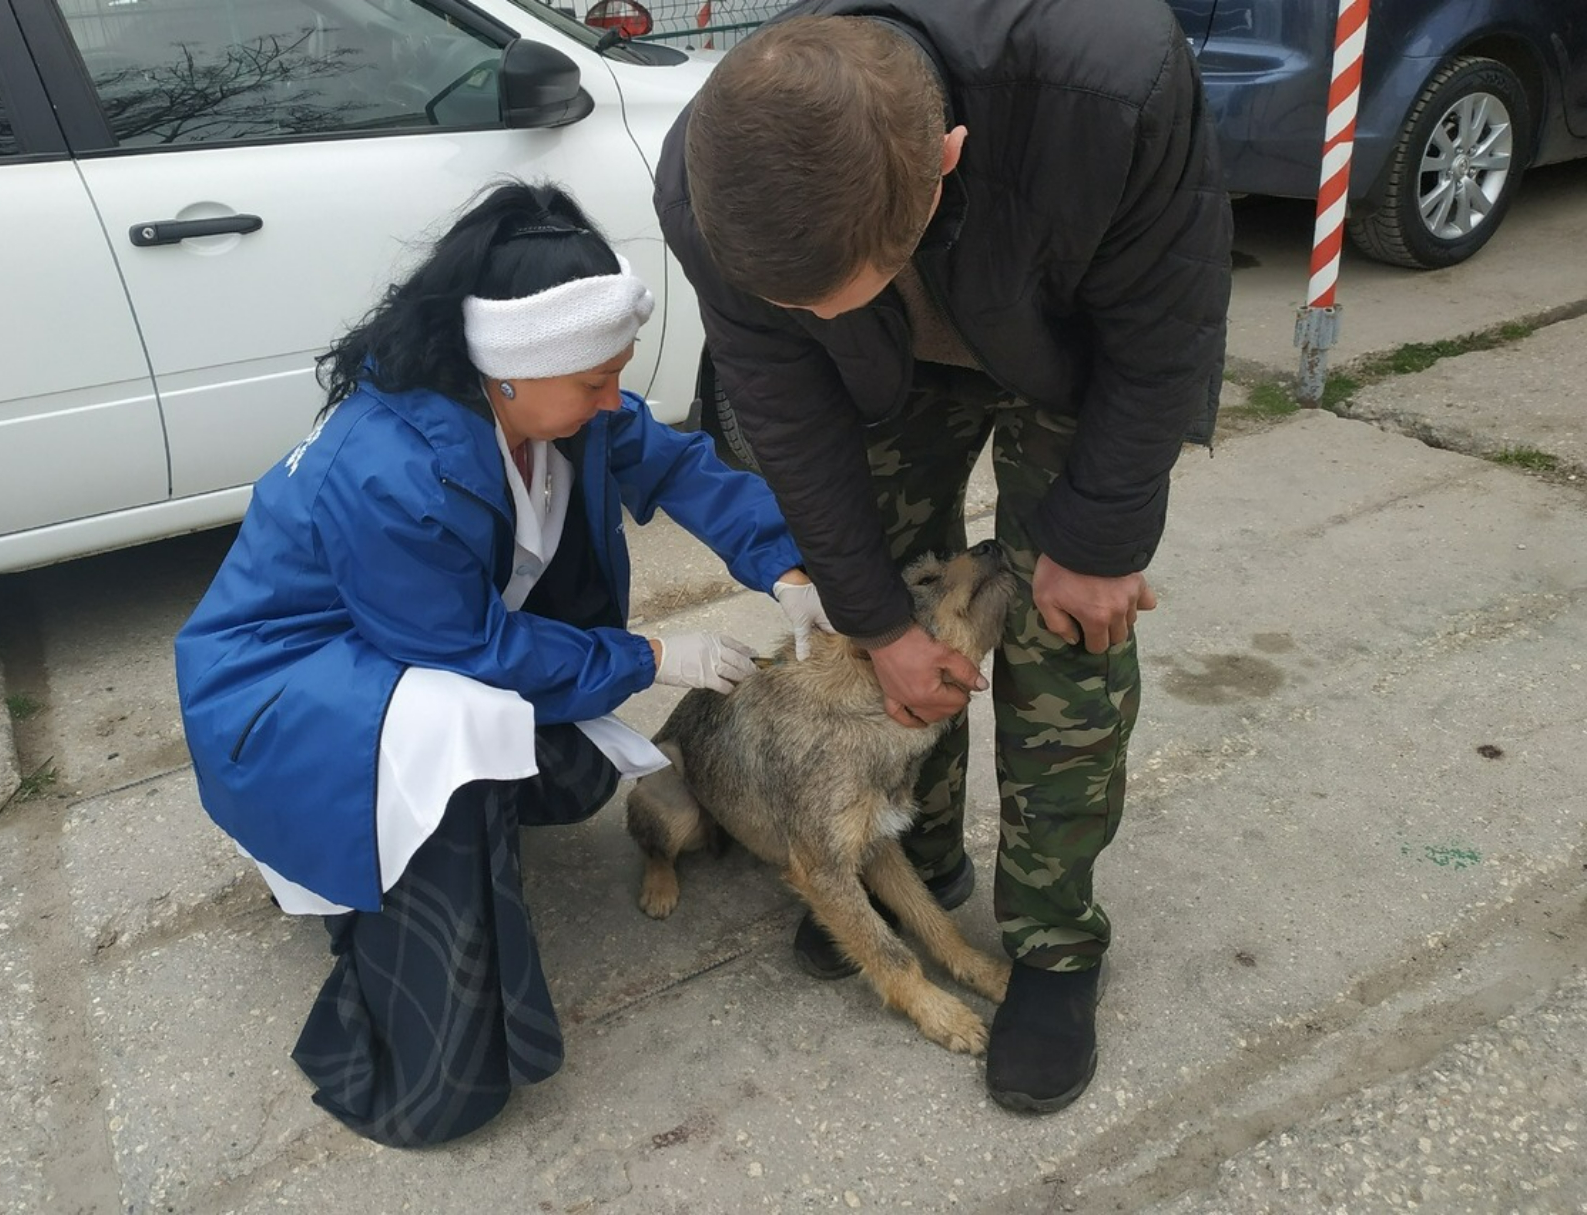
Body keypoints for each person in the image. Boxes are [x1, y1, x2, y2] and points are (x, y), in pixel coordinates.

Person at [654, 0, 1233, 1114]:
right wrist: (874, 621)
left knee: (1061, 642)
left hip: (1072, 350)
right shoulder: (712, 172)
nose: (805, 313)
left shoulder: (1111, 90)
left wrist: (1100, 539)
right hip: (885, 373)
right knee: (897, 633)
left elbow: (1168, 325)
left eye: (832, 290)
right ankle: (919, 864)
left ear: (945, 165)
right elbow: (781, 400)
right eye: (794, 301)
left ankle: (1054, 944)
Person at [174, 180, 828, 1148]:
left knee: (564, 758)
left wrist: (785, 563)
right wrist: (651, 654)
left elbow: (678, 465)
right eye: (596, 383)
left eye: (619, 376)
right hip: (277, 695)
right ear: (514, 370)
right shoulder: (392, 472)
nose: (616, 401)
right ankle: (428, 1026)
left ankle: (454, 834)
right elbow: (472, 649)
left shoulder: (548, 398)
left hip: (382, 650)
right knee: (459, 727)